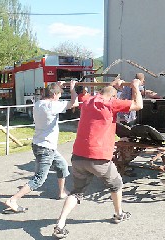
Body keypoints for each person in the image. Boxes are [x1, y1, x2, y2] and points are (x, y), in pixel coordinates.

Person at [52, 79, 143, 238]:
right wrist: (135, 86)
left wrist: (74, 87)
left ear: (99, 92)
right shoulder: (111, 104)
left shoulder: (87, 101)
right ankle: (119, 214)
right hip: (99, 157)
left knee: (76, 192)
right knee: (116, 184)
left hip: (78, 157)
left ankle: (60, 223)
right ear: (112, 96)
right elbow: (138, 105)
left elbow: (83, 94)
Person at [3, 81, 79, 214]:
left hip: (40, 144)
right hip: (46, 148)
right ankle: (13, 200)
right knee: (39, 179)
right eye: (59, 95)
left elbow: (51, 93)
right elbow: (75, 103)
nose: (60, 98)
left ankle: (61, 192)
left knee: (62, 165)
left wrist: (58, 85)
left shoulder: (39, 103)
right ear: (54, 94)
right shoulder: (52, 106)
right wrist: (72, 89)